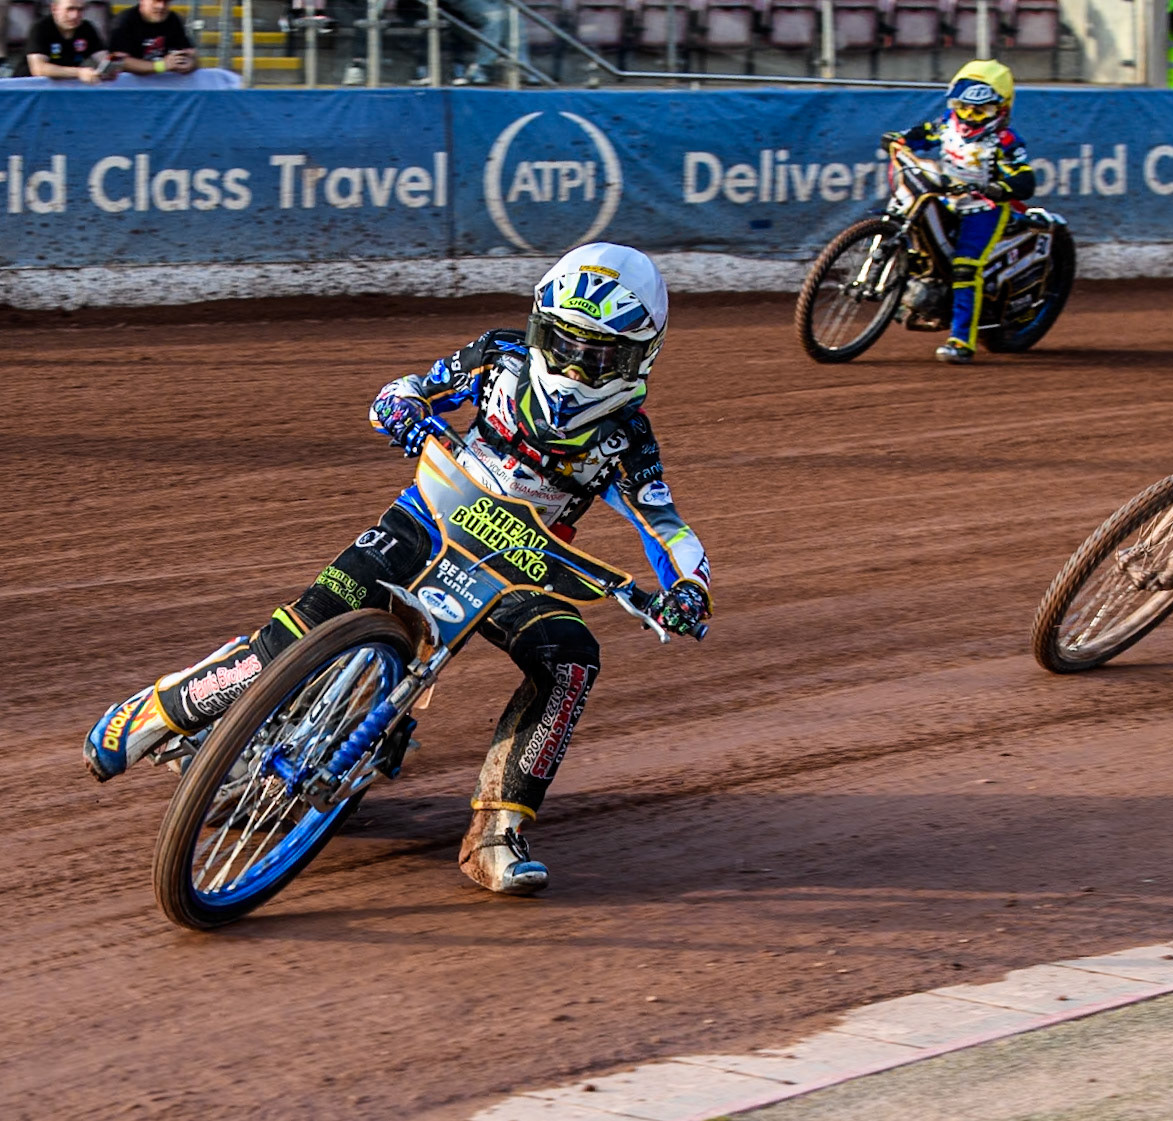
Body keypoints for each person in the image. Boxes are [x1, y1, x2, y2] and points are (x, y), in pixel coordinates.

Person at [84, 243, 714, 895]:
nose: (573, 366)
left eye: (596, 355)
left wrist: (690, 588)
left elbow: (667, 528)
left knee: (571, 656)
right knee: (290, 637)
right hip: (428, 520)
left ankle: (496, 830)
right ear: (537, 326)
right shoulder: (498, 357)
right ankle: (158, 709)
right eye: (561, 341)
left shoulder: (628, 438)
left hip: (522, 568)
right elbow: (409, 389)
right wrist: (403, 412)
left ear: (639, 357)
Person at [880, 59, 1036, 365]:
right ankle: (901, 294)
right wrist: (898, 138)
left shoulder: (1006, 141)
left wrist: (1000, 188)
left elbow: (1025, 178)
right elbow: (922, 134)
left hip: (984, 207)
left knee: (965, 266)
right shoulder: (947, 123)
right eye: (963, 108)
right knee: (915, 231)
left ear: (999, 110)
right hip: (946, 194)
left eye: (980, 111)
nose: (969, 117)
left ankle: (962, 341)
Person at [26, 0, 116, 82]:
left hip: (66, 87)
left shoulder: (86, 28)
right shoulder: (41, 28)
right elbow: (39, 69)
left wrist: (110, 68)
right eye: (70, 9)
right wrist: (79, 72)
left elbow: (102, 57)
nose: (75, 15)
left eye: (80, 10)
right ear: (54, 9)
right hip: (30, 88)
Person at [107, 0, 197, 76]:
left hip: (163, 85)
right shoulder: (125, 21)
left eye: (166, 2)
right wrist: (161, 66)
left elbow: (190, 53)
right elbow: (118, 61)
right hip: (130, 87)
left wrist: (190, 63)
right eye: (156, 1)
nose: (161, 6)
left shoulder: (173, 19)